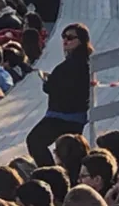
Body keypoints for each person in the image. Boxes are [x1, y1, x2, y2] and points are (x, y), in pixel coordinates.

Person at [29, 22, 93, 160]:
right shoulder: (86, 63)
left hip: (60, 117)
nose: (65, 40)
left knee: (35, 142)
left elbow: (51, 88)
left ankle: (51, 175)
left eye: (70, 37)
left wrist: (48, 81)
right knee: (69, 153)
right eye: (64, 36)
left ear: (81, 40)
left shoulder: (70, 65)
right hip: (77, 118)